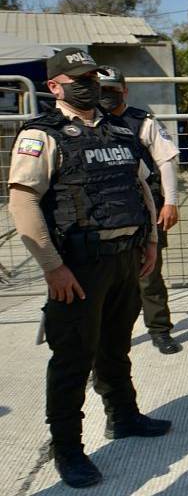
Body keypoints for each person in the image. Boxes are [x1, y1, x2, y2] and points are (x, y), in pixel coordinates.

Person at [7, 48, 171, 488]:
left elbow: (140, 185)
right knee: (73, 360)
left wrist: (150, 240)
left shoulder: (119, 128)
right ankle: (69, 449)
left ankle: (124, 416)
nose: (88, 84)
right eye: (77, 78)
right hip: (77, 268)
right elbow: (22, 202)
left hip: (126, 259)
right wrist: (52, 268)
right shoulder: (42, 135)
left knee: (116, 348)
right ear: (54, 86)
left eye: (92, 77)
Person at [98, 65, 183, 354]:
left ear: (124, 90)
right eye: (101, 90)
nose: (106, 96)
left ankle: (159, 330)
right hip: (102, 213)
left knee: (149, 274)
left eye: (111, 89)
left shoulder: (141, 122)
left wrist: (170, 201)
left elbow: (166, 161)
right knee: (105, 280)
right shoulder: (88, 123)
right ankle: (104, 340)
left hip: (145, 207)